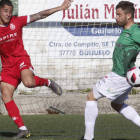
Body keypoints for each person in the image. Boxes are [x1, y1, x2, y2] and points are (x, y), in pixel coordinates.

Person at [0, 0, 72, 139]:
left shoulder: (17, 21)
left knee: (28, 83)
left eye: (10, 11)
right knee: (5, 95)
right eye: (5, 11)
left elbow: (40, 15)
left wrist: (61, 7)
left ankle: (47, 82)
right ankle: (23, 129)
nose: (8, 14)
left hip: (21, 59)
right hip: (8, 67)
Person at [81, 1, 140, 140]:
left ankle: (88, 138)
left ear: (129, 16)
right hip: (125, 77)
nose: (116, 18)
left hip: (119, 76)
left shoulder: (135, 31)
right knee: (116, 104)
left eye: (119, 15)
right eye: (116, 15)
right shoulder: (127, 31)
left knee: (91, 97)